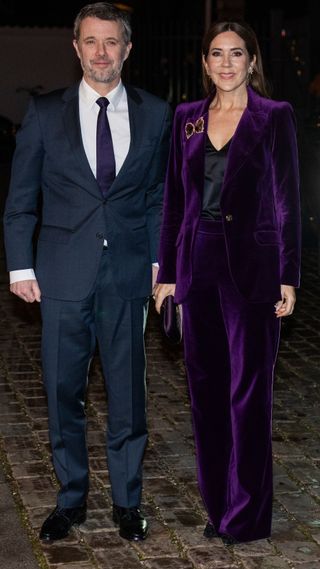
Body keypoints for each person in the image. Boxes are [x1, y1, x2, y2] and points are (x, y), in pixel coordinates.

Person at [4, 2, 171, 543]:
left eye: (112, 42)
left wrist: (156, 262)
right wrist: (19, 266)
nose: (101, 53)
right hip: (61, 276)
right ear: (76, 48)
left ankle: (128, 502)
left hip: (126, 277)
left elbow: (157, 198)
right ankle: (70, 499)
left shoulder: (155, 113)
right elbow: (21, 199)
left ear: (127, 49)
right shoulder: (45, 113)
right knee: (62, 392)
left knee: (128, 397)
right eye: (91, 42)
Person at [154, 20, 301, 545]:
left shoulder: (274, 117)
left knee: (249, 395)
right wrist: (168, 275)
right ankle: (219, 507)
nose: (226, 63)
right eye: (216, 54)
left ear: (252, 61)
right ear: (204, 62)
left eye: (237, 54)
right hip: (198, 268)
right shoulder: (187, 119)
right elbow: (175, 202)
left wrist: (289, 275)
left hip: (254, 270)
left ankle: (249, 514)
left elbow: (287, 200)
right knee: (207, 394)